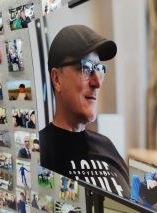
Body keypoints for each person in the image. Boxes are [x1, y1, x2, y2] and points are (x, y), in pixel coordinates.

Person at [39, 25, 130, 197]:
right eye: (86, 68)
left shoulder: (106, 146)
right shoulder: (39, 153)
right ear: (57, 79)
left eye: (100, 70)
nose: (97, 82)